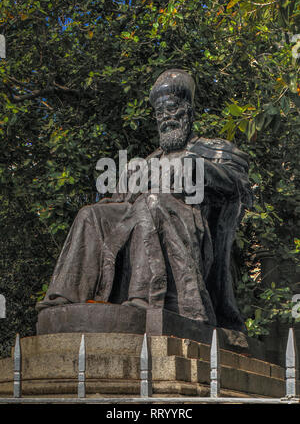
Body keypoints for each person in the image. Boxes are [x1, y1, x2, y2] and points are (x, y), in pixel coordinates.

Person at [36, 69, 252, 332]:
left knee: (150, 203)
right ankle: (65, 296)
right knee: (90, 214)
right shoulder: (149, 160)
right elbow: (117, 201)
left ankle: (144, 298)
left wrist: (191, 167)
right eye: (160, 113)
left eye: (171, 109)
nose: (165, 118)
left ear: (188, 111)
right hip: (143, 217)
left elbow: (237, 184)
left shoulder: (211, 150)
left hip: (188, 231)